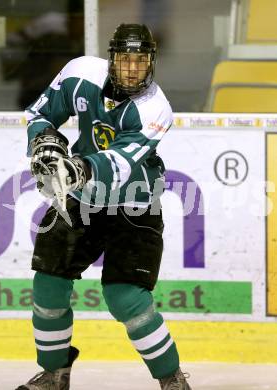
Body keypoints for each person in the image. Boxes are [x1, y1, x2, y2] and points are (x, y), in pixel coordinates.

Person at [17, 23, 192, 390]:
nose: (132, 69)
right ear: (112, 59)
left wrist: (76, 166)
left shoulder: (155, 108)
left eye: (140, 61)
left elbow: (118, 164)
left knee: (125, 296)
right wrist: (46, 139)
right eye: (125, 59)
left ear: (152, 64)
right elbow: (39, 114)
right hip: (80, 202)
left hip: (135, 205)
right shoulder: (81, 73)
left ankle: (171, 379)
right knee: (48, 282)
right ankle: (54, 374)